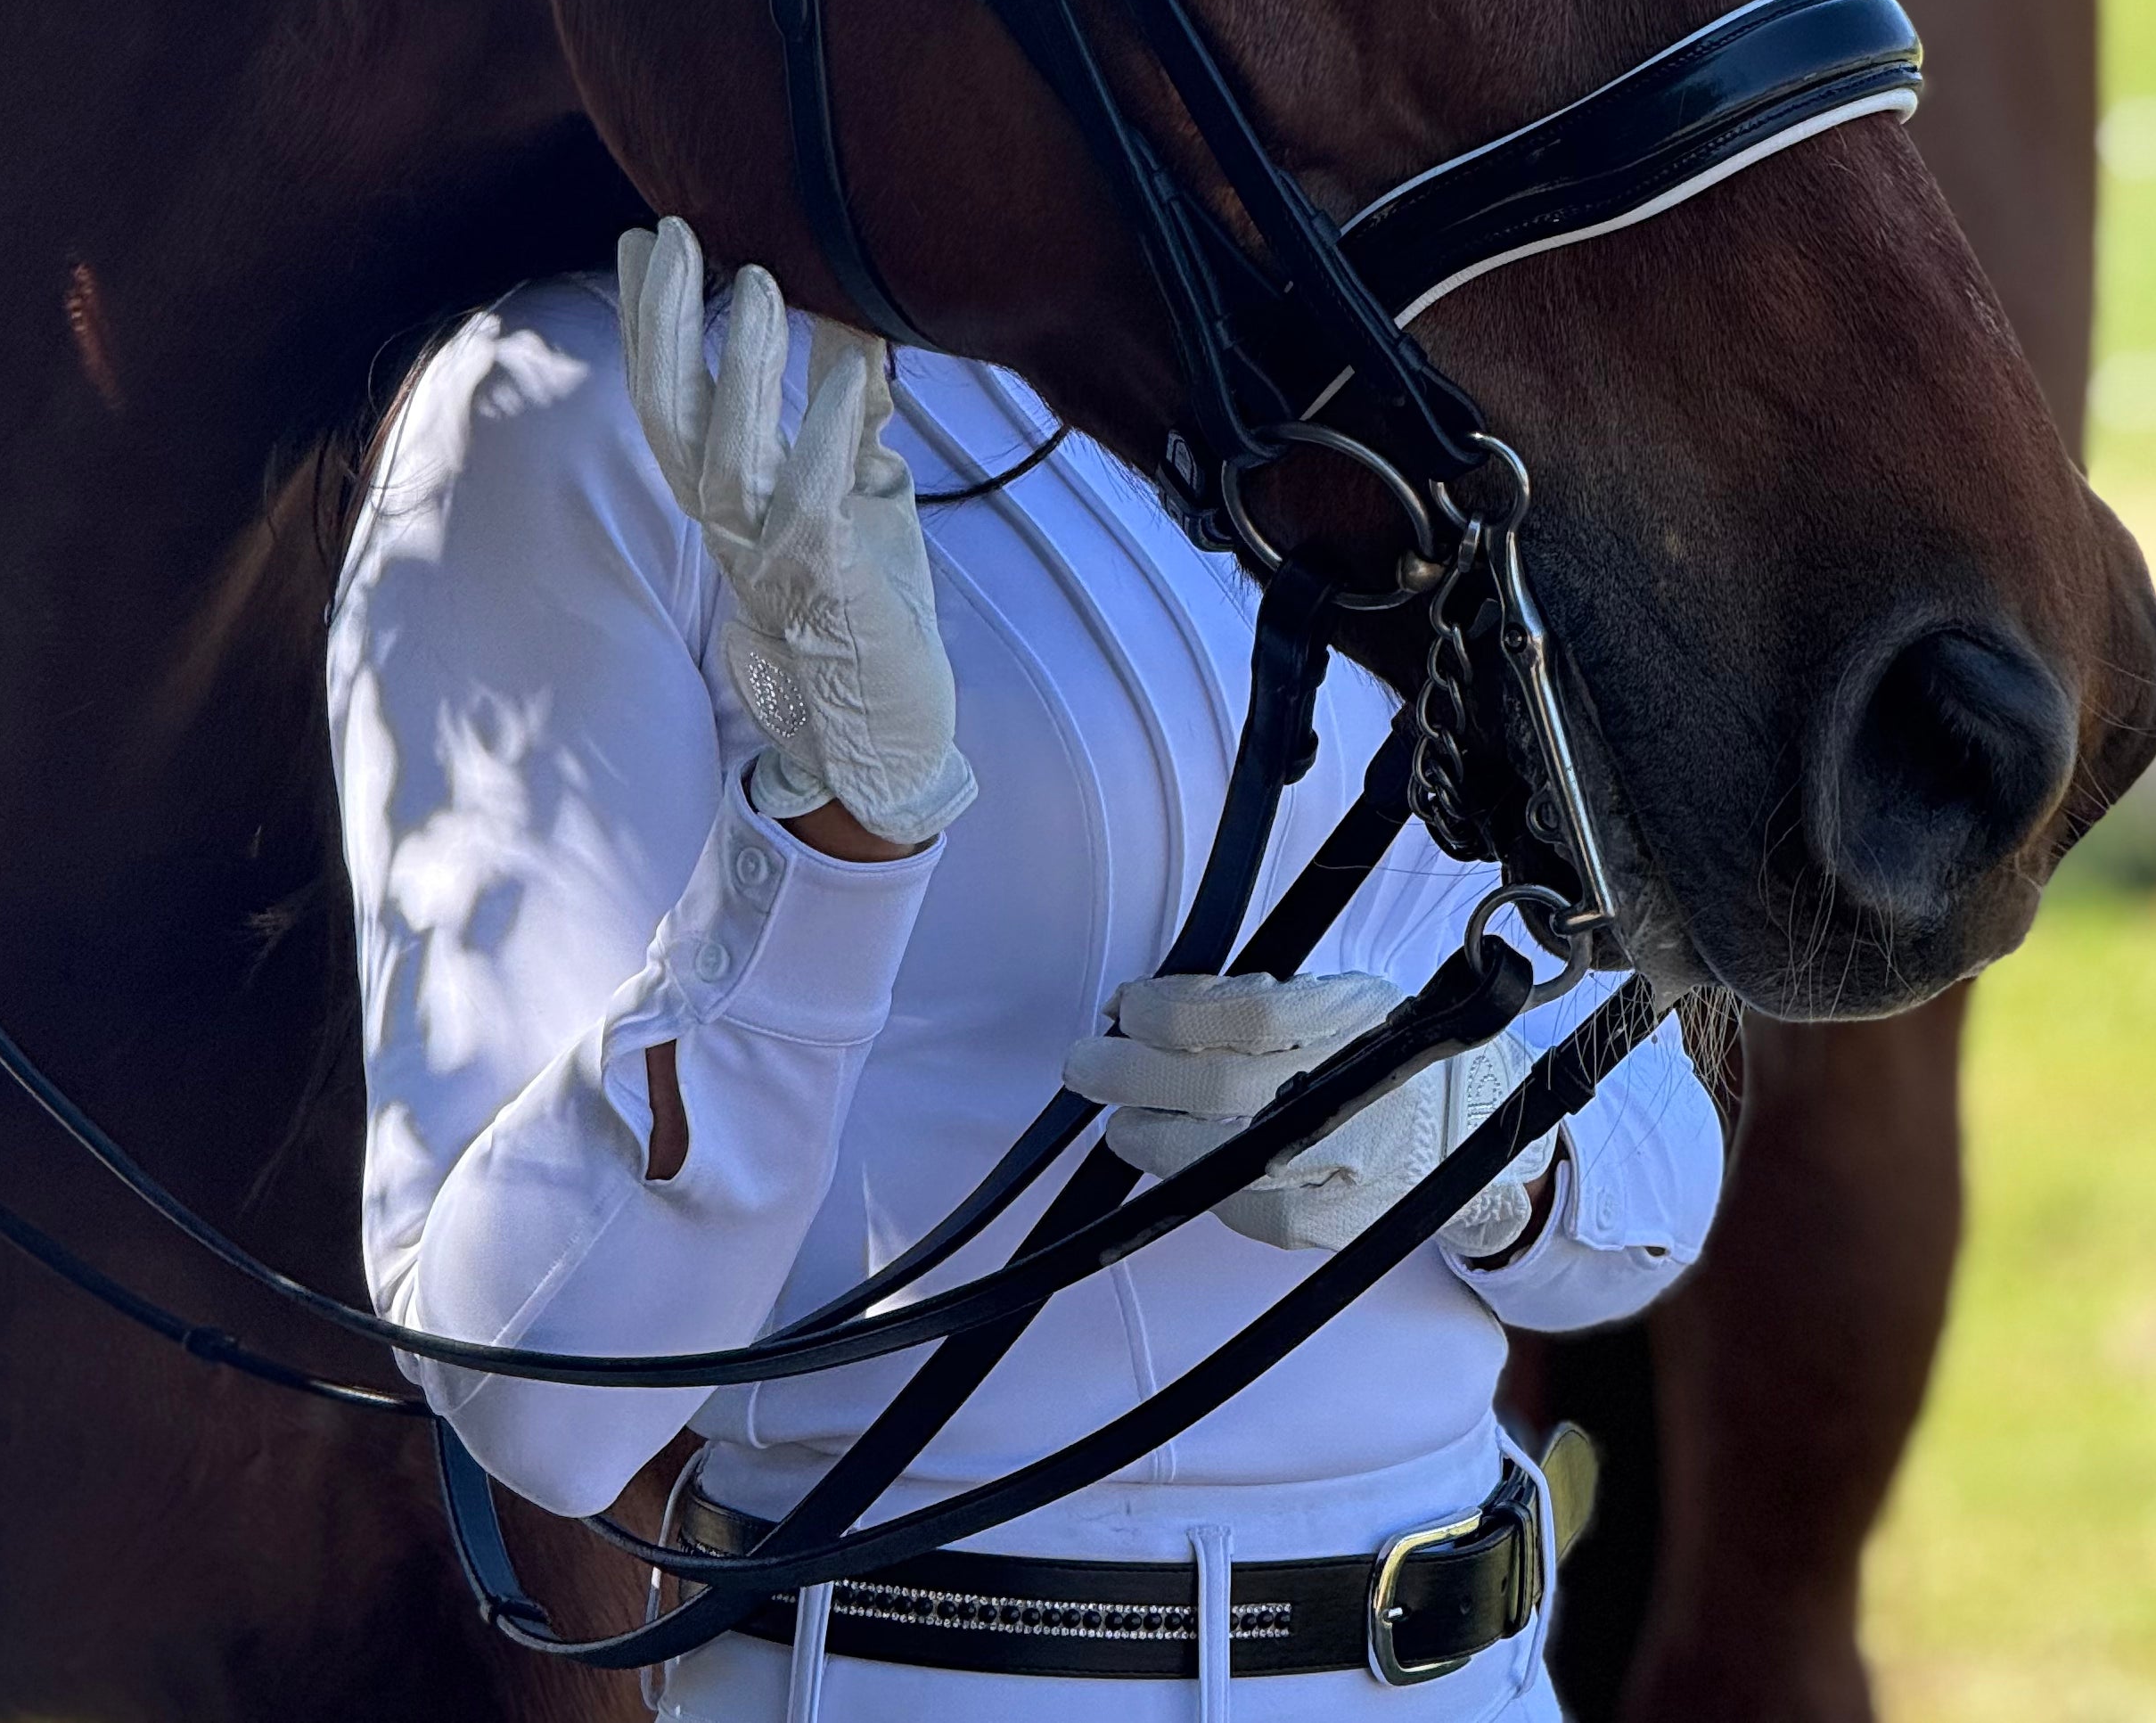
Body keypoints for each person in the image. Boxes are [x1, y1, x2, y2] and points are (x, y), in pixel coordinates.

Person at [328, 221, 1724, 1721]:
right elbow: (536, 1392)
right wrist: (830, 840)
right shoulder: (600, 400)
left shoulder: (1382, 358)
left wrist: (1479, 1143)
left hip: (1480, 1679)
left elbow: (1653, 1166)